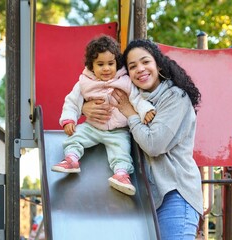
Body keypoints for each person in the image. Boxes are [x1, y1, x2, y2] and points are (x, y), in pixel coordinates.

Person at [83, 39, 204, 239]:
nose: (140, 69)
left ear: (158, 63)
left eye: (145, 62)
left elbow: (154, 144)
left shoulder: (175, 98)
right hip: (143, 198)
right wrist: (84, 108)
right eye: (132, 66)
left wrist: (131, 114)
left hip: (174, 194)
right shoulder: (131, 98)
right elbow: (99, 108)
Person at [51, 36, 156, 196]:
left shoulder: (125, 81)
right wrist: (69, 119)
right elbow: (72, 102)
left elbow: (136, 98)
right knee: (76, 136)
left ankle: (121, 174)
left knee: (121, 150)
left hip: (118, 130)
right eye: (100, 64)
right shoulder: (84, 83)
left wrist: (145, 110)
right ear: (91, 66)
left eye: (110, 64)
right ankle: (71, 159)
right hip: (93, 126)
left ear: (117, 63)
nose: (106, 68)